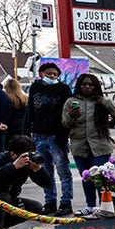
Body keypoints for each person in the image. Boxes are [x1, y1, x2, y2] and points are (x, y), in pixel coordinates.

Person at [62, 73, 115, 216]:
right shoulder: (71, 102)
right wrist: (71, 115)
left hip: (100, 146)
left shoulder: (101, 101)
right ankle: (90, 206)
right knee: (87, 177)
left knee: (101, 179)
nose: (87, 87)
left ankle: (106, 206)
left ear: (96, 86)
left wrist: (105, 102)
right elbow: (65, 124)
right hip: (80, 147)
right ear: (79, 86)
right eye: (84, 84)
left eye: (91, 84)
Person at [25, 62, 73, 215]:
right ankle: (50, 201)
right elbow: (30, 110)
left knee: (63, 170)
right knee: (45, 171)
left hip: (56, 135)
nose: (53, 76)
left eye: (55, 74)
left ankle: (66, 202)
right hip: (39, 135)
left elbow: (67, 113)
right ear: (41, 73)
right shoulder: (35, 87)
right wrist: (26, 132)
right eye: (49, 73)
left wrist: (63, 135)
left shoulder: (63, 89)